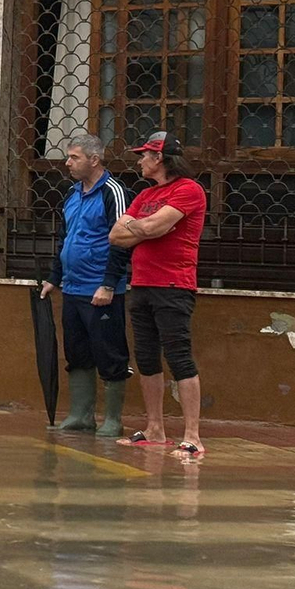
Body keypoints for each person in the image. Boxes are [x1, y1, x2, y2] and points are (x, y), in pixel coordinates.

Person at [108, 131, 208, 457]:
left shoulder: (188, 190)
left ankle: (192, 436)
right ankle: (155, 428)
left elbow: (150, 229)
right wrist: (147, 225)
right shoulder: (145, 194)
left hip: (173, 286)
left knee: (179, 357)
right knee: (147, 358)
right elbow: (115, 236)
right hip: (142, 284)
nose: (140, 161)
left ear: (159, 159)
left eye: (144, 156)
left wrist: (140, 226)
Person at [40, 134, 132, 437]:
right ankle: (81, 414)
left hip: (101, 290)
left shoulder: (113, 192)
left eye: (74, 157)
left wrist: (108, 284)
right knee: (77, 351)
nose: (68, 163)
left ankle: (113, 419)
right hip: (73, 287)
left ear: (94, 159)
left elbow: (122, 241)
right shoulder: (72, 193)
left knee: (109, 351)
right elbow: (67, 239)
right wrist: (54, 278)